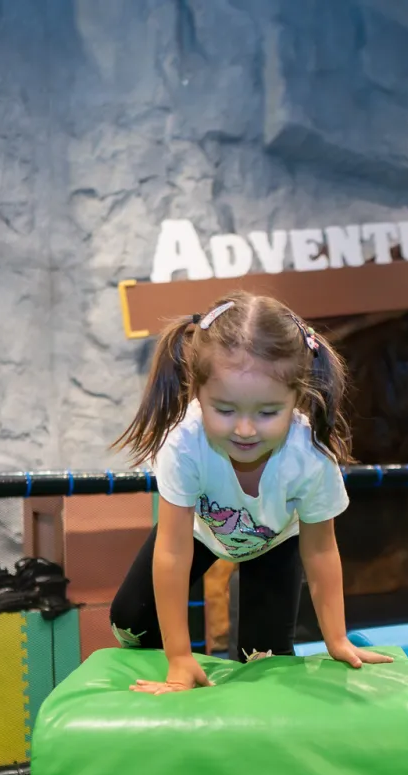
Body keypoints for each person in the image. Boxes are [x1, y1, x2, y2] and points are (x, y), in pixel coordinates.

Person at [109, 291, 393, 694]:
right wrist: (178, 658)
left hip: (275, 539)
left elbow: (320, 550)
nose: (245, 430)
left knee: (265, 657)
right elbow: (172, 551)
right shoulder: (185, 443)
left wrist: (337, 639)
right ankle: (175, 675)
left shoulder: (309, 456)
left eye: (267, 412)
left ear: (297, 397)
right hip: (200, 533)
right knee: (129, 622)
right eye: (224, 410)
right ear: (197, 393)